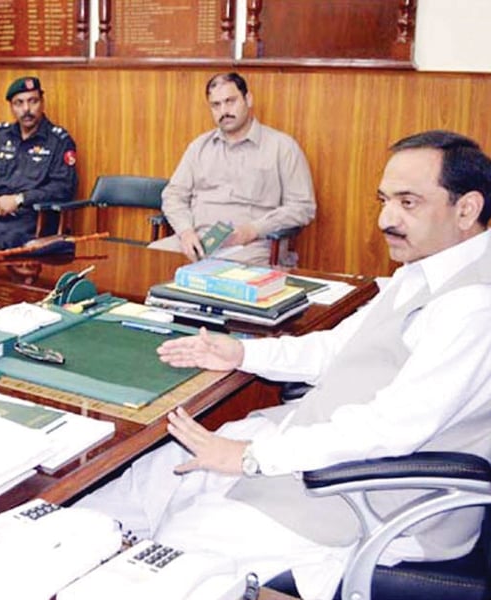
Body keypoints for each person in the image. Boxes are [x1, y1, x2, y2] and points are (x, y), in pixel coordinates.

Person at [76, 130, 491, 599]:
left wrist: (253, 457)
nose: (385, 219)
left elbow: (391, 429)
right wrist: (243, 352)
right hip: (317, 446)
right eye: (384, 200)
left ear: (466, 209)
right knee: (149, 480)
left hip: (371, 494)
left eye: (408, 203)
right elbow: (333, 350)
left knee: (171, 554)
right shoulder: (423, 269)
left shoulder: (474, 305)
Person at [150, 72, 316, 265]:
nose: (224, 110)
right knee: (152, 259)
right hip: (198, 241)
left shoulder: (282, 147)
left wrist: (254, 229)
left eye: (230, 101)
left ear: (248, 99)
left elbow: (302, 207)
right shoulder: (199, 147)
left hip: (253, 246)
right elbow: (173, 195)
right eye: (216, 105)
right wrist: (185, 232)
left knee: (224, 277)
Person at [0, 76, 78, 255]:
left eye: (32, 101)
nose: (26, 109)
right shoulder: (1, 138)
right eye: (19, 103)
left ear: (42, 103)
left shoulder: (59, 142)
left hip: (29, 221)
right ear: (12, 107)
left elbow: (63, 188)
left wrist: (19, 199)